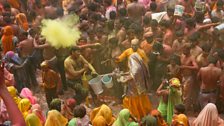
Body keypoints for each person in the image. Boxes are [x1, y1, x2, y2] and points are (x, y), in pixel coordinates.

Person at [121, 52, 151, 120]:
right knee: (141, 100)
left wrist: (125, 79)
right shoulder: (140, 65)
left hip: (134, 88)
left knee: (133, 101)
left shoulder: (136, 68)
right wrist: (126, 73)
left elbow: (133, 74)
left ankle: (135, 114)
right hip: (141, 87)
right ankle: (143, 112)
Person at [180, 44, 198, 112]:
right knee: (182, 94)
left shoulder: (191, 58)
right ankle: (182, 108)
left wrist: (185, 67)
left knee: (186, 95)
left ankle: (184, 110)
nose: (183, 51)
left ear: (188, 50)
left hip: (189, 77)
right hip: (183, 76)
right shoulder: (182, 56)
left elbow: (196, 67)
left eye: (185, 50)